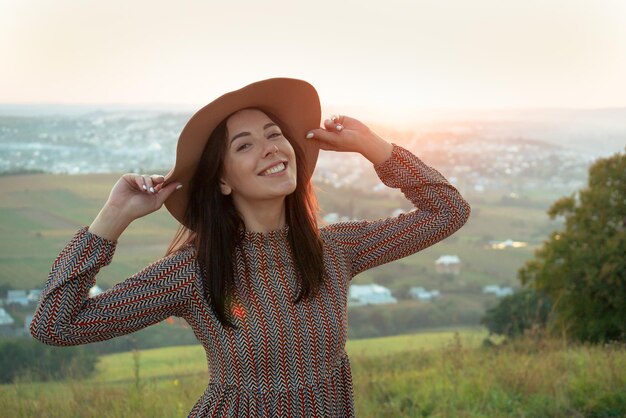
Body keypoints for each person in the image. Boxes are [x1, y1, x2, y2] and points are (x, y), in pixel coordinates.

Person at [30, 77, 471, 417]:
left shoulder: (334, 250)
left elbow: (448, 211)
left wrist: (372, 146)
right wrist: (113, 217)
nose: (270, 148)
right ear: (222, 180)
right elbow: (54, 325)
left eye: (275, 134)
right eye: (245, 145)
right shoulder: (194, 272)